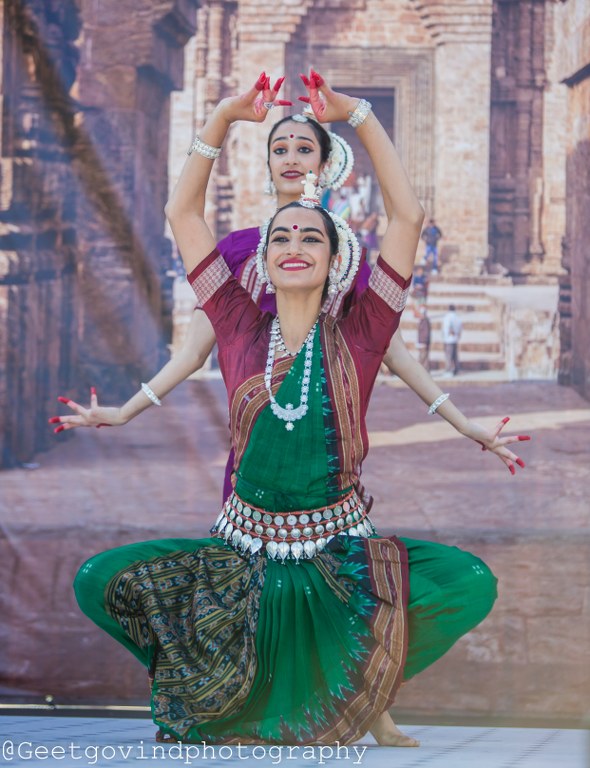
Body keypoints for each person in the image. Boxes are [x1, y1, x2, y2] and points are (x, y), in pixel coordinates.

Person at [69, 70, 530, 748]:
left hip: (336, 559)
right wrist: (222, 119)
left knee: (468, 583)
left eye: (311, 239)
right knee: (98, 581)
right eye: (281, 238)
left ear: (335, 257)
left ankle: (352, 692)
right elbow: (182, 215)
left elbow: (407, 217)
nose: (293, 247)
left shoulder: (363, 334)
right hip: (244, 562)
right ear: (262, 255)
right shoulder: (236, 324)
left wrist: (360, 115)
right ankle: (217, 683)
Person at [442, 304, 463, 376]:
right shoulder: (457, 317)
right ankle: (456, 369)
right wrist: (457, 336)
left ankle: (449, 370)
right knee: (455, 356)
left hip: (449, 339)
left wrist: (447, 335)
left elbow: (448, 327)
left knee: (449, 356)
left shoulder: (448, 317)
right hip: (455, 339)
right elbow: (460, 327)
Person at [416, 306, 431, 371]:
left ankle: (423, 372)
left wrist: (424, 342)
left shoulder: (425, 321)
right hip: (421, 343)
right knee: (423, 358)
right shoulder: (422, 321)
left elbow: (426, 333)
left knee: (423, 358)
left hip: (423, 343)